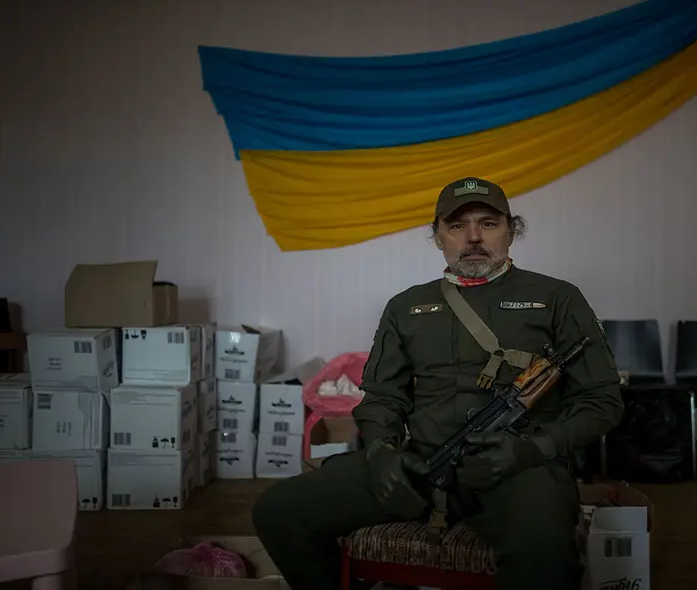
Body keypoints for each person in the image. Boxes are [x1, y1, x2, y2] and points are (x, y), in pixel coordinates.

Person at [252, 177, 624, 590]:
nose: (474, 237)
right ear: (437, 237)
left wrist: (534, 449)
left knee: (543, 551)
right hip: (422, 464)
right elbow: (381, 397)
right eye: (457, 226)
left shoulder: (558, 297)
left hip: (521, 469)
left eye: (488, 223)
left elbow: (602, 400)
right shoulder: (406, 306)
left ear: (511, 231)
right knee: (279, 511)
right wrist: (381, 452)